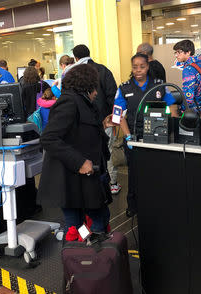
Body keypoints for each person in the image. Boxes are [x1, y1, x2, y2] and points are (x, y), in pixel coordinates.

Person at [37, 64, 115, 235]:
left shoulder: (83, 102)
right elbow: (49, 138)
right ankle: (87, 256)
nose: (96, 93)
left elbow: (76, 132)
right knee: (82, 225)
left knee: (85, 224)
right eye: (95, 88)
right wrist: (79, 162)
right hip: (72, 180)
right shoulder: (69, 102)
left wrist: (102, 125)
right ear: (87, 86)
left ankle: (85, 255)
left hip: (85, 180)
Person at [113, 53, 176, 217]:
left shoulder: (159, 85)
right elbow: (118, 116)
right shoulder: (123, 88)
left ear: (148, 67)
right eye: (135, 67)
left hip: (158, 137)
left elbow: (173, 108)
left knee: (157, 172)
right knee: (134, 174)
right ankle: (133, 205)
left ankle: (158, 203)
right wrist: (127, 137)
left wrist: (173, 130)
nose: (138, 70)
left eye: (142, 66)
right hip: (134, 137)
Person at [72, 44, 121, 196]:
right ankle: (112, 183)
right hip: (105, 119)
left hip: (83, 124)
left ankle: (92, 184)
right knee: (108, 151)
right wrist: (116, 120)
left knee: (87, 152)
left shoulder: (74, 73)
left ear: (76, 57)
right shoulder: (103, 70)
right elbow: (114, 96)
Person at [173, 40, 201, 113]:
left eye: (179, 52)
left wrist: (182, 109)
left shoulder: (188, 69)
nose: (176, 55)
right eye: (175, 52)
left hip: (194, 110)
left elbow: (188, 96)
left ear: (188, 52)